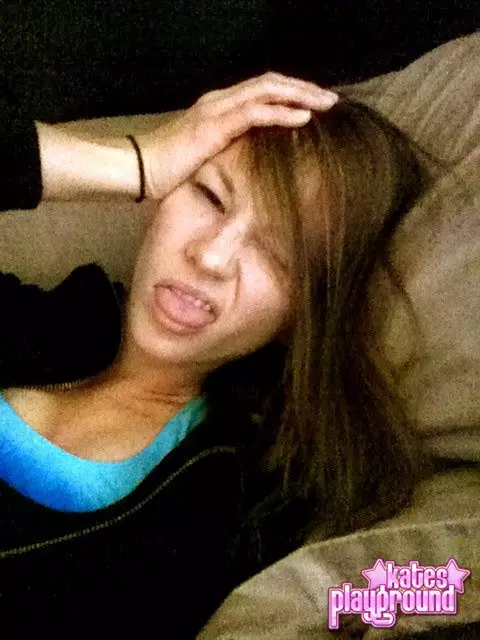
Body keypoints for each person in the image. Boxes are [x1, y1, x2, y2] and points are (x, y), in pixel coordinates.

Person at [0, 72, 428, 636]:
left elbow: (423, 587)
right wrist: (134, 163)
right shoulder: (44, 317)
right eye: (209, 196)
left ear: (307, 311)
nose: (211, 256)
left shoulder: (242, 500)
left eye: (278, 251)